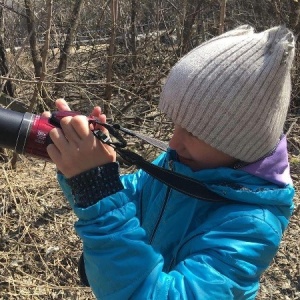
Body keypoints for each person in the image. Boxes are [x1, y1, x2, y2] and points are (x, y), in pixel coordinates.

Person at [46, 25, 296, 299]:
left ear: (238, 141)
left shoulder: (252, 225)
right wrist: (89, 171)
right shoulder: (185, 163)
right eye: (177, 124)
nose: (174, 142)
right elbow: (131, 196)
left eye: (193, 132)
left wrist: (97, 189)